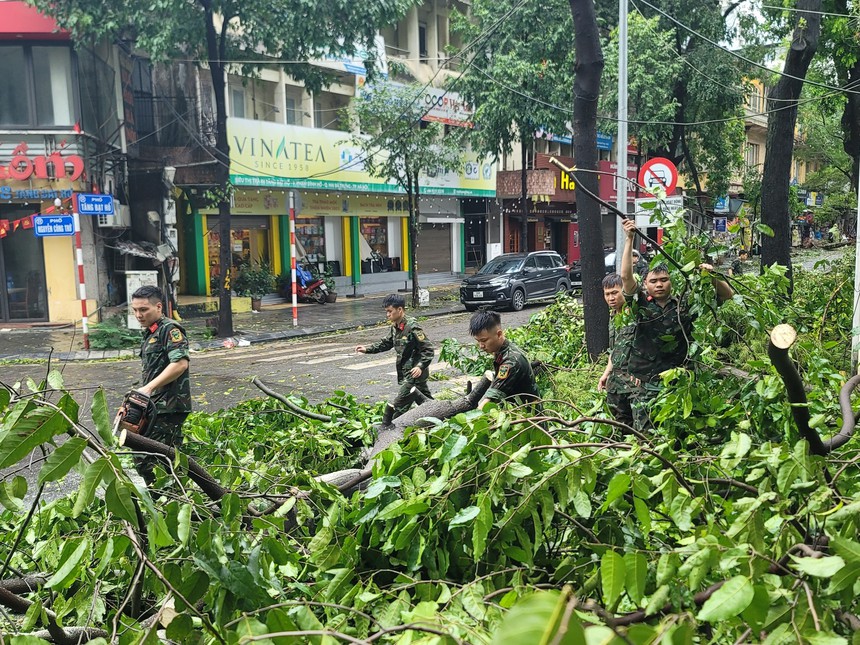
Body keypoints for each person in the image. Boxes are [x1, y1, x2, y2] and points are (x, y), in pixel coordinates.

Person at [619, 218, 733, 429]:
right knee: (647, 435)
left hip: (680, 381)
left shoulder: (686, 303)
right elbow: (625, 277)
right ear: (645, 285)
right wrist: (629, 239)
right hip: (646, 383)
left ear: (671, 281)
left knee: (680, 433)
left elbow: (727, 296)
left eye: (664, 279)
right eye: (653, 281)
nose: (659, 284)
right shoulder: (640, 304)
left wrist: (712, 276)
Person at [129, 285, 191, 484]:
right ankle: (169, 499)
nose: (138, 314)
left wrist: (148, 388)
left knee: (148, 459)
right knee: (158, 458)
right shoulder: (150, 332)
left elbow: (180, 364)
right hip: (155, 406)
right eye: (135, 310)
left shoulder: (170, 329)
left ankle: (168, 500)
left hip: (169, 406)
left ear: (158, 307)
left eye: (143, 310)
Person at [356, 294, 434, 421]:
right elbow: (386, 343)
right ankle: (444, 419)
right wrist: (367, 349)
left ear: (400, 310)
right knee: (428, 404)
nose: (387, 315)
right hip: (407, 373)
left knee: (399, 406)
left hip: (414, 375)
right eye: (386, 311)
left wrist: (420, 366)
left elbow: (428, 349)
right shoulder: (395, 327)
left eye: (390, 311)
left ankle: (390, 429)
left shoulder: (412, 327)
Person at [469, 310, 540, 408]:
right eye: (478, 341)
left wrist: (471, 419)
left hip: (529, 418)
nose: (481, 346)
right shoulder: (502, 351)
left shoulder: (511, 361)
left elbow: (490, 400)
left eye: (484, 340)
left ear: (499, 334)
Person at [597, 273, 636, 426]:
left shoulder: (635, 312)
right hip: (617, 384)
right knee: (619, 426)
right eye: (607, 294)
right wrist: (605, 374)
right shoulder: (613, 317)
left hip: (635, 385)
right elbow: (614, 350)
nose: (611, 298)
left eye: (615, 293)